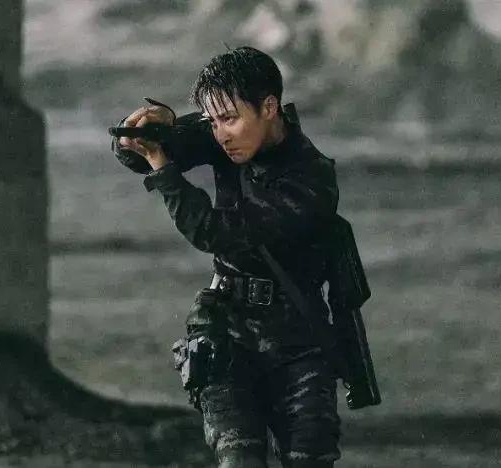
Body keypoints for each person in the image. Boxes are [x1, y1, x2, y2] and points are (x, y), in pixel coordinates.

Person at [112, 46, 342, 468]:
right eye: (213, 120)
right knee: (238, 459)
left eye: (229, 119)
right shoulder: (231, 135)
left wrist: (163, 170)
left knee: (309, 458)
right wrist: (153, 129)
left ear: (269, 108)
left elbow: (217, 233)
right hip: (227, 332)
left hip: (298, 341)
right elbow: (138, 152)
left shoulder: (310, 179)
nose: (221, 134)